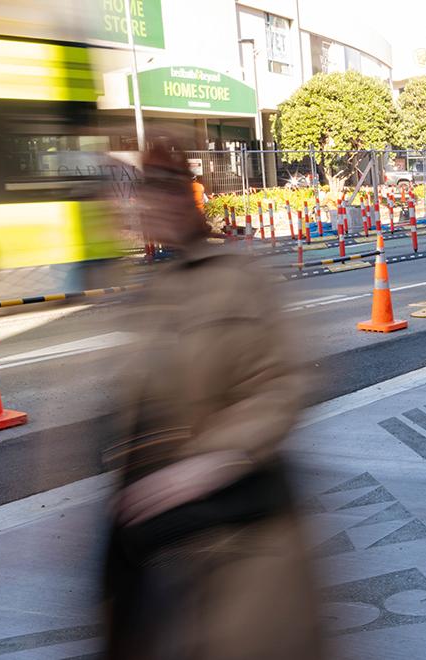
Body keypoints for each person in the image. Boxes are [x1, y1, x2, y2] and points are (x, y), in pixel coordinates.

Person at [102, 138, 322, 660]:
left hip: (237, 528)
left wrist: (212, 461)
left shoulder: (242, 279)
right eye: (142, 191)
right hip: (156, 538)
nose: (147, 203)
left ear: (188, 198)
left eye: (162, 188)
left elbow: (283, 385)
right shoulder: (150, 292)